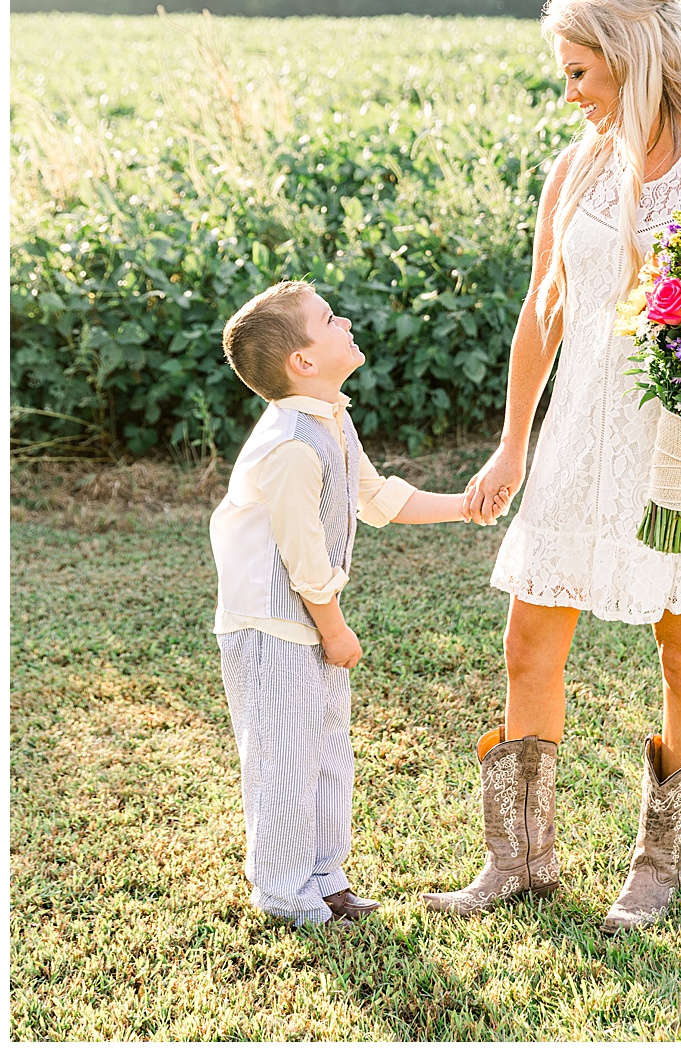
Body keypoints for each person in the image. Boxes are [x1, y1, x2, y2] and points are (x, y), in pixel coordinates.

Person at [426, 0, 681, 935]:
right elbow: (542, 315)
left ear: (628, 57)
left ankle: (655, 872)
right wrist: (511, 446)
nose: (568, 91)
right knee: (530, 636)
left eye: (579, 70)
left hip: (678, 443)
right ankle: (519, 859)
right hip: (579, 427)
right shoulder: (573, 167)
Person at [211, 280, 473, 927]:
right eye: (329, 319)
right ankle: (282, 893)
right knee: (283, 761)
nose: (345, 320)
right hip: (274, 627)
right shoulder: (293, 444)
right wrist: (335, 629)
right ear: (303, 360)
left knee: (328, 753)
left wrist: (466, 506)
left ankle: (325, 878)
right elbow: (303, 558)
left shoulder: (331, 414)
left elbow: (377, 498)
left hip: (305, 622)